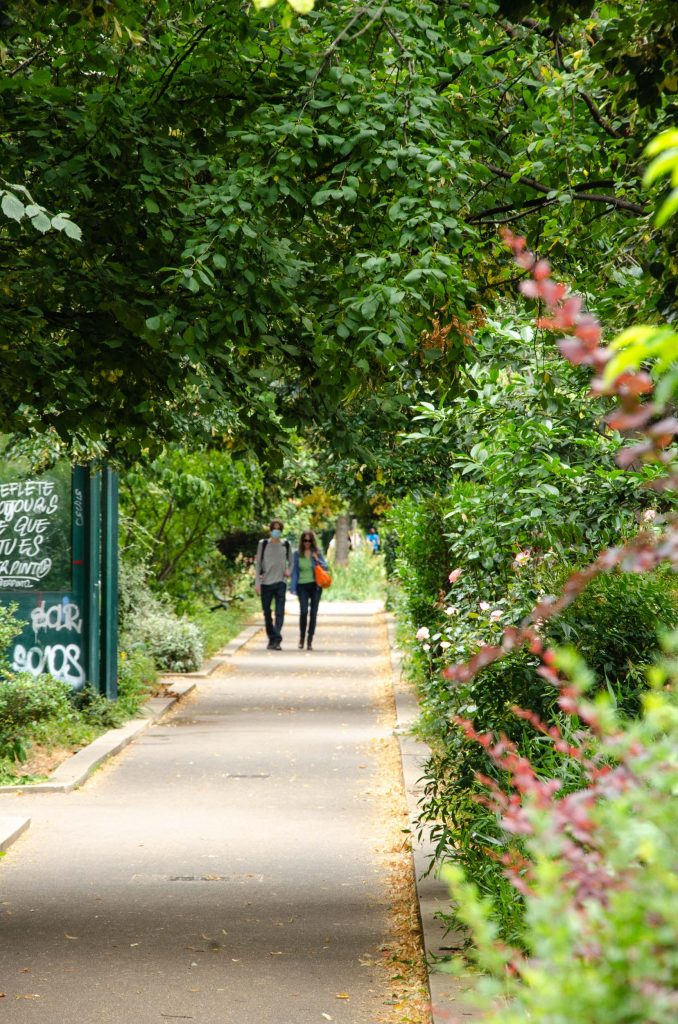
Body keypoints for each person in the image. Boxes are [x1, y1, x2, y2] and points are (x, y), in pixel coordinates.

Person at [255, 518, 291, 650]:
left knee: (279, 612)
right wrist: (257, 583)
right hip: (266, 582)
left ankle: (276, 639)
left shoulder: (286, 544)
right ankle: (273, 637)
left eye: (278, 529)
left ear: (281, 531)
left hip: (281, 582)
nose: (276, 531)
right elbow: (258, 564)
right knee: (267, 612)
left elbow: (291, 562)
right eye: (274, 529)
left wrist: (289, 570)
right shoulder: (263, 544)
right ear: (270, 530)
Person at [290, 529, 329, 651]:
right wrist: (293, 587)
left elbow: (325, 567)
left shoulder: (317, 552)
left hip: (315, 585)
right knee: (303, 611)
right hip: (302, 585)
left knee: (313, 613)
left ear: (312, 541)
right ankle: (302, 637)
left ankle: (310, 640)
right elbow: (294, 571)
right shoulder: (297, 554)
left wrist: (317, 559)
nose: (307, 543)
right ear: (302, 541)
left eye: (309, 541)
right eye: (305, 541)